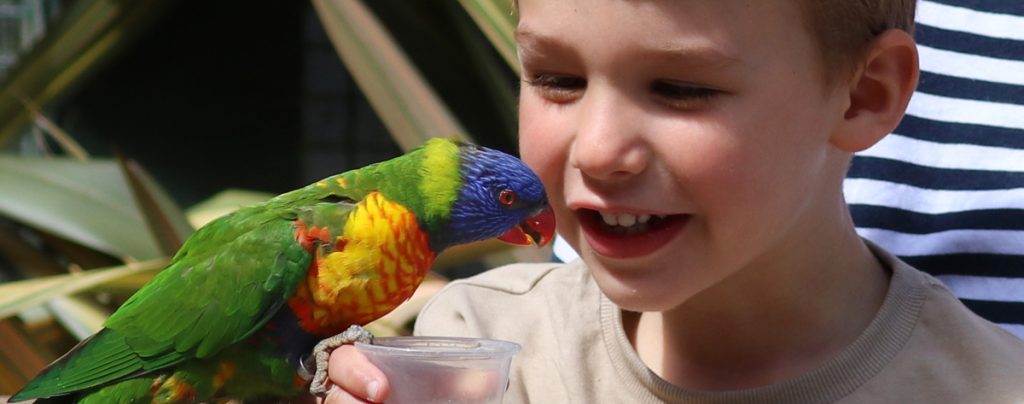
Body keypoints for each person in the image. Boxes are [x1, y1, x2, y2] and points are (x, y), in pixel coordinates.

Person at [319, 0, 1024, 402]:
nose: (597, 149)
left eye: (681, 89)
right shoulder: (482, 357)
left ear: (865, 94)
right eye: (558, 78)